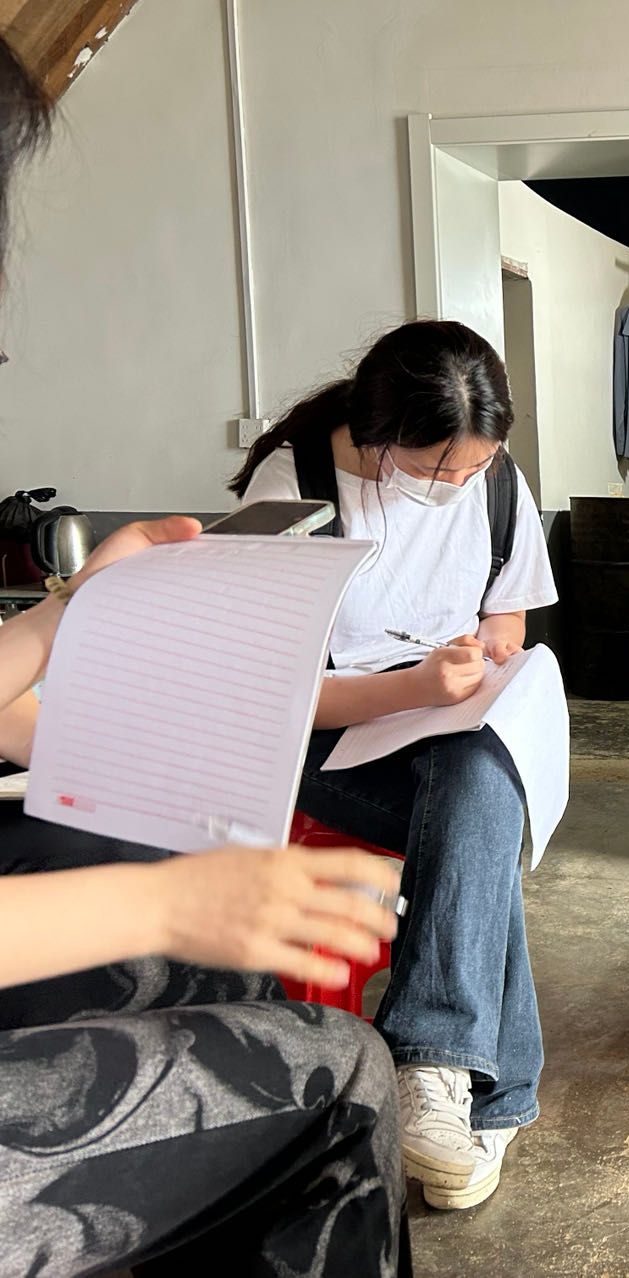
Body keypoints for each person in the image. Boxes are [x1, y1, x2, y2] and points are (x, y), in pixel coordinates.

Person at [0, 37, 409, 1277]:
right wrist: (174, 900)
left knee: (198, 906)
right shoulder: (296, 468)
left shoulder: (489, 511)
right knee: (337, 1076)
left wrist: (70, 614)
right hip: (352, 718)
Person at [232, 320, 559, 1210]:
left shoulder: (494, 479)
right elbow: (270, 691)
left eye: (471, 472)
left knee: (478, 773)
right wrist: (411, 689)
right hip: (325, 742)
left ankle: (441, 1076)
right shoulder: (293, 488)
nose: (453, 488)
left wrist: (487, 656)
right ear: (379, 432)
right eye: (429, 472)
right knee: (479, 816)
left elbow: (507, 614)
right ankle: (478, 1088)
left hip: (445, 719)